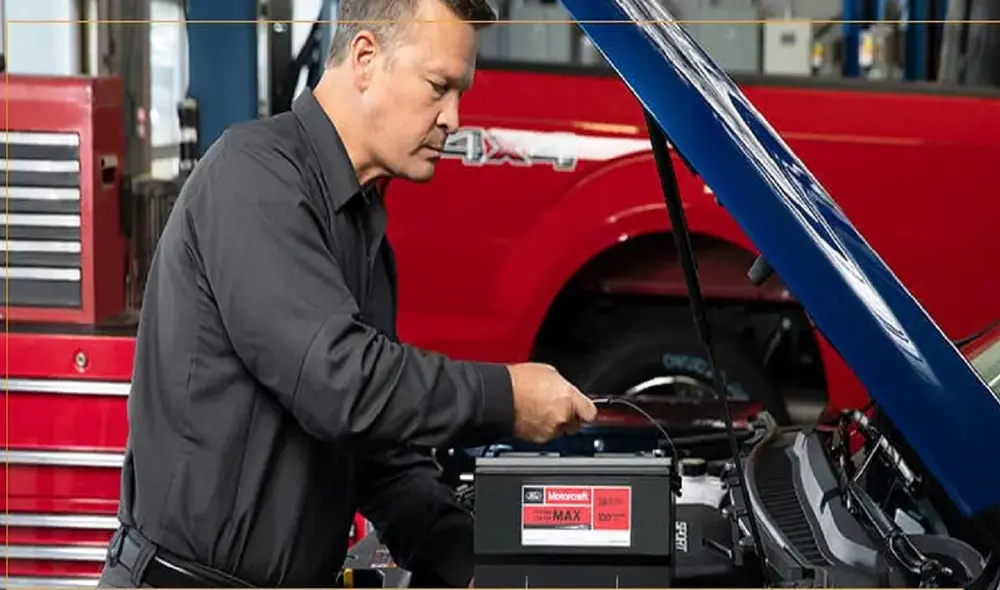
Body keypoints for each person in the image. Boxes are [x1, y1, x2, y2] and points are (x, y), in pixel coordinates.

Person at [97, 0, 598, 588]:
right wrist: (506, 397)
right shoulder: (254, 178)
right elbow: (339, 382)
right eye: (439, 86)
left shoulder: (362, 232)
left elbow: (377, 447)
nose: (454, 118)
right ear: (365, 58)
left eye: (460, 92)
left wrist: (463, 552)